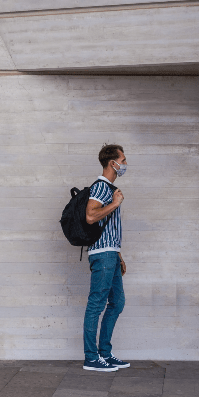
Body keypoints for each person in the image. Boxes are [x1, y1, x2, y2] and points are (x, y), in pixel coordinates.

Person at [82, 145, 130, 372]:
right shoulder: (101, 186)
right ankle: (91, 358)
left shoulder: (110, 188)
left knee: (117, 303)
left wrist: (118, 254)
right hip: (102, 254)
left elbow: (108, 226)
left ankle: (105, 354)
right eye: (123, 160)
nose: (125, 164)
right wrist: (115, 203)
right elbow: (91, 216)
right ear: (113, 163)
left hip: (111, 253)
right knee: (96, 304)